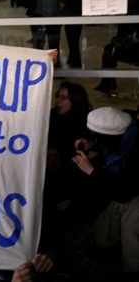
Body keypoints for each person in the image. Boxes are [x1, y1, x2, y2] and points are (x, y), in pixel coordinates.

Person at [69, 106, 139, 281]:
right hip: (118, 200)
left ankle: (133, 272)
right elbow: (111, 149)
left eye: (97, 138)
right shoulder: (124, 133)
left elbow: (125, 192)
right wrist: (92, 146)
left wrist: (92, 171)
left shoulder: (136, 149)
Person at [48, 81, 93, 161]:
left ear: (75, 100)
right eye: (57, 96)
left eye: (63, 98)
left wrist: (89, 144)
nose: (58, 100)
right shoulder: (51, 116)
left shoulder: (88, 119)